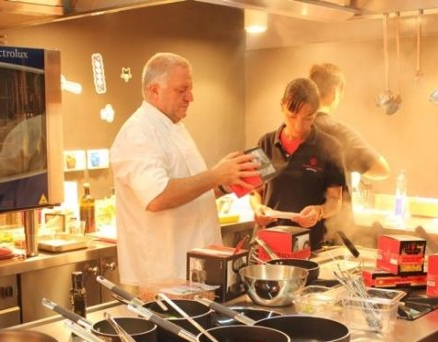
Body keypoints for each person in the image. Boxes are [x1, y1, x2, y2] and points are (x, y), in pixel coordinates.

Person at [110, 52, 259, 287]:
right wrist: (216, 175)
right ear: (154, 90)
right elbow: (157, 197)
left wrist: (223, 185)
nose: (190, 97)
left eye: (190, 89)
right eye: (182, 90)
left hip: (198, 268)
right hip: (165, 275)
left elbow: (191, 191)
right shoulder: (137, 133)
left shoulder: (176, 128)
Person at [249, 77, 345, 251]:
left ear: (316, 113)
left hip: (307, 246)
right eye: (292, 116)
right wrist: (257, 208)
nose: (299, 126)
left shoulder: (330, 147)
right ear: (282, 105)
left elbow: (335, 200)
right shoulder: (265, 143)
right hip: (267, 244)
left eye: (308, 118)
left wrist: (319, 211)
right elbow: (255, 191)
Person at [309, 63, 390, 232]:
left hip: (292, 231)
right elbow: (382, 169)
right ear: (335, 93)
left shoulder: (292, 130)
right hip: (330, 233)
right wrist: (353, 164)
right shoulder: (339, 133)